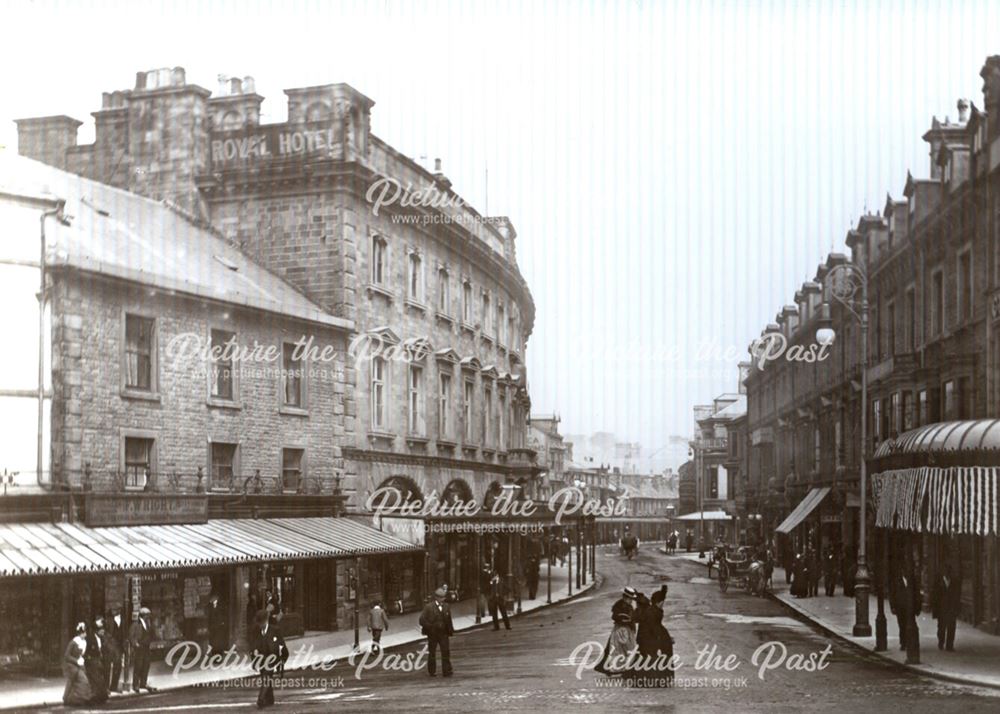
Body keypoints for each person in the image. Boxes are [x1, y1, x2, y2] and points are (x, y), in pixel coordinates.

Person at [595, 586, 638, 675]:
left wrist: (631, 621)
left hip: (627, 629)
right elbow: (614, 616)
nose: (630, 601)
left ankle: (625, 668)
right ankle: (619, 668)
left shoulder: (629, 606)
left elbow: (633, 617)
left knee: (625, 649)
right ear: (625, 597)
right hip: (620, 629)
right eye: (629, 598)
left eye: (631, 599)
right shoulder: (619, 605)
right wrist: (622, 619)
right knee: (620, 649)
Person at [251, 609, 288, 708]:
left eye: (262, 623)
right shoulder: (256, 631)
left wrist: (282, 660)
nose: (261, 625)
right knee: (265, 678)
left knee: (266, 678)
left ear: (266, 620)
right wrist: (254, 661)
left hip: (272, 659)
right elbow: (253, 646)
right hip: (261, 660)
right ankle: (270, 699)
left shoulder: (275, 630)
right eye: (259, 623)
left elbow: (282, 646)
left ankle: (261, 699)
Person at [419, 586, 455, 677]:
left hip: (443, 633)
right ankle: (432, 671)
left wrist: (450, 630)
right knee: (432, 652)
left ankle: (446, 670)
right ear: (436, 597)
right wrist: (430, 627)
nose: (443, 599)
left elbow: (449, 619)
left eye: (443, 597)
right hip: (433, 634)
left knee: (445, 651)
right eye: (441, 598)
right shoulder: (428, 607)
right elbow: (422, 620)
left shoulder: (446, 606)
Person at [931, 562, 961, 652]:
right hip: (941, 609)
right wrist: (935, 609)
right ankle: (941, 641)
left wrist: (957, 608)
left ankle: (949, 645)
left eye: (949, 571)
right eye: (946, 571)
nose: (947, 573)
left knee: (952, 627)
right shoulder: (938, 581)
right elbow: (934, 596)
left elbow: (957, 595)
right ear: (943, 572)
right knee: (941, 627)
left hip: (951, 608)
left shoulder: (955, 581)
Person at [63, 622, 93, 706]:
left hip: (80, 664)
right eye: (84, 633)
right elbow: (66, 656)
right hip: (72, 665)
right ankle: (68, 698)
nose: (85, 635)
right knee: (79, 680)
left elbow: (82, 654)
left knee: (79, 681)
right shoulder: (73, 642)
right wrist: (76, 661)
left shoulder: (84, 642)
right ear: (80, 633)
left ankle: (76, 699)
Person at [129, 606, 157, 692]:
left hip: (146, 647)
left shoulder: (148, 623)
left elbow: (152, 633)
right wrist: (135, 644)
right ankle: (135, 685)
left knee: (146, 665)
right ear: (143, 615)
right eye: (147, 615)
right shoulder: (135, 624)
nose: (148, 617)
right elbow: (131, 636)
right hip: (139, 647)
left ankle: (143, 683)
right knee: (138, 666)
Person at [85, 616, 109, 704]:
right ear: (96, 631)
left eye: (103, 629)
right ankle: (95, 697)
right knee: (96, 680)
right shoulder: (90, 639)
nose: (103, 631)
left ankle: (101, 697)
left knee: (101, 679)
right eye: (101, 630)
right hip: (92, 662)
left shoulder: (102, 639)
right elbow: (86, 651)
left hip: (100, 661)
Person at [105, 605, 125, 694]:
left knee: (118, 666)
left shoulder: (123, 620)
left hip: (119, 646)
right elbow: (106, 633)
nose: (115, 611)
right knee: (107, 666)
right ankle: (106, 687)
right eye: (113, 609)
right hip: (110, 645)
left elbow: (124, 632)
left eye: (117, 609)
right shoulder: (108, 620)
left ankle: (114, 686)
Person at [206, 593, 229, 663]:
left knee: (219, 644)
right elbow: (209, 617)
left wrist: (222, 623)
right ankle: (214, 658)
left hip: (219, 629)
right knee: (213, 644)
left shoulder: (221, 607)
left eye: (214, 599)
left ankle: (219, 658)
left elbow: (223, 616)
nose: (212, 600)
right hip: (213, 629)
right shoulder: (209, 607)